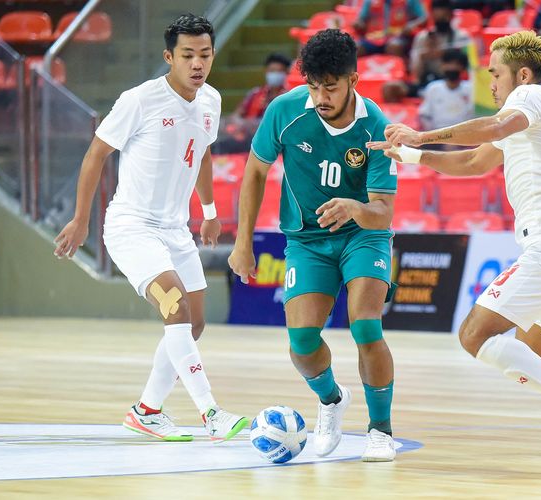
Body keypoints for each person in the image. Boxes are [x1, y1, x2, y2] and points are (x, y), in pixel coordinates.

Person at [368, 30, 541, 466]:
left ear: (522, 75)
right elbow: (474, 161)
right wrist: (413, 157)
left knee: (474, 335)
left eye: (495, 73)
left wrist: (421, 136)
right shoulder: (527, 116)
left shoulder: (531, 98)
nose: (489, 83)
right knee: (533, 354)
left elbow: (491, 126)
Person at [53, 14, 248, 443]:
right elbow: (95, 155)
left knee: (193, 323)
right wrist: (82, 219)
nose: (198, 64)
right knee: (174, 308)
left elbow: (202, 152)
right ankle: (210, 413)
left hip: (176, 229)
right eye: (187, 56)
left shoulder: (211, 101)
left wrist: (210, 210)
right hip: (132, 227)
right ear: (168, 57)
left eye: (205, 55)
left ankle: (146, 410)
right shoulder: (139, 100)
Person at [228, 29, 399, 462]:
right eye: (313, 85)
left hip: (363, 235)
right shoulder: (284, 110)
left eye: (331, 86)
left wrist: (354, 207)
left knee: (365, 326)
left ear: (353, 81)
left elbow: (383, 212)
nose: (321, 95)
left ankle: (381, 429)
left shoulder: (376, 125)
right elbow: (254, 173)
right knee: (302, 342)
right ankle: (330, 399)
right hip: (305, 239)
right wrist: (242, 242)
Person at [419, 48, 474, 131]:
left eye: (456, 64)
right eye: (448, 63)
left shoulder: (471, 89)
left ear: (463, 67)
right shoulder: (433, 88)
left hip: (464, 134)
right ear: (442, 66)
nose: (452, 67)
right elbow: (424, 115)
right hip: (437, 134)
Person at [353, 0, 428, 57]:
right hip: (373, 38)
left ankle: (401, 74)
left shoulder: (409, 1)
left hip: (399, 37)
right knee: (355, 47)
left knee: (394, 46)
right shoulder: (370, 1)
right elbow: (360, 20)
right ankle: (351, 76)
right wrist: (358, 24)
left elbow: (424, 18)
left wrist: (412, 25)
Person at [237, 52, 292, 120]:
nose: (275, 74)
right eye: (272, 70)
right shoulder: (255, 94)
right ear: (266, 71)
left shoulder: (290, 96)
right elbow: (237, 115)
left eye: (279, 71)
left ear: (286, 72)